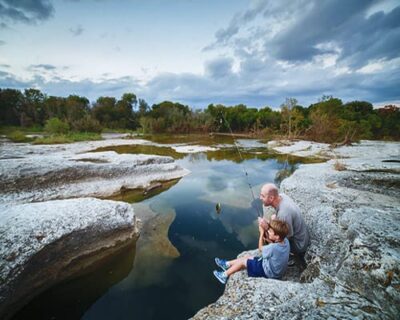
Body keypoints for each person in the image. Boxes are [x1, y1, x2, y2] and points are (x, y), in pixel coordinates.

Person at [213, 219, 290, 284]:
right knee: (248, 257)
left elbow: (260, 248)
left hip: (268, 273)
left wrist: (261, 233)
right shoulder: (286, 241)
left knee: (243, 262)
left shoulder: (273, 247)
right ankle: (227, 264)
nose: (269, 231)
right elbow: (275, 249)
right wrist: (270, 240)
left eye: (270, 231)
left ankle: (224, 275)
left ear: (277, 236)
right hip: (275, 270)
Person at [258, 183, 310, 267]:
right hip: (302, 237)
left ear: (271, 198)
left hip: (299, 245)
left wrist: (267, 228)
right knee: (273, 218)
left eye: (262, 196)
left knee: (267, 236)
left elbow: (284, 238)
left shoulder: (284, 214)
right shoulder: (282, 196)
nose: (260, 198)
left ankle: (289, 257)